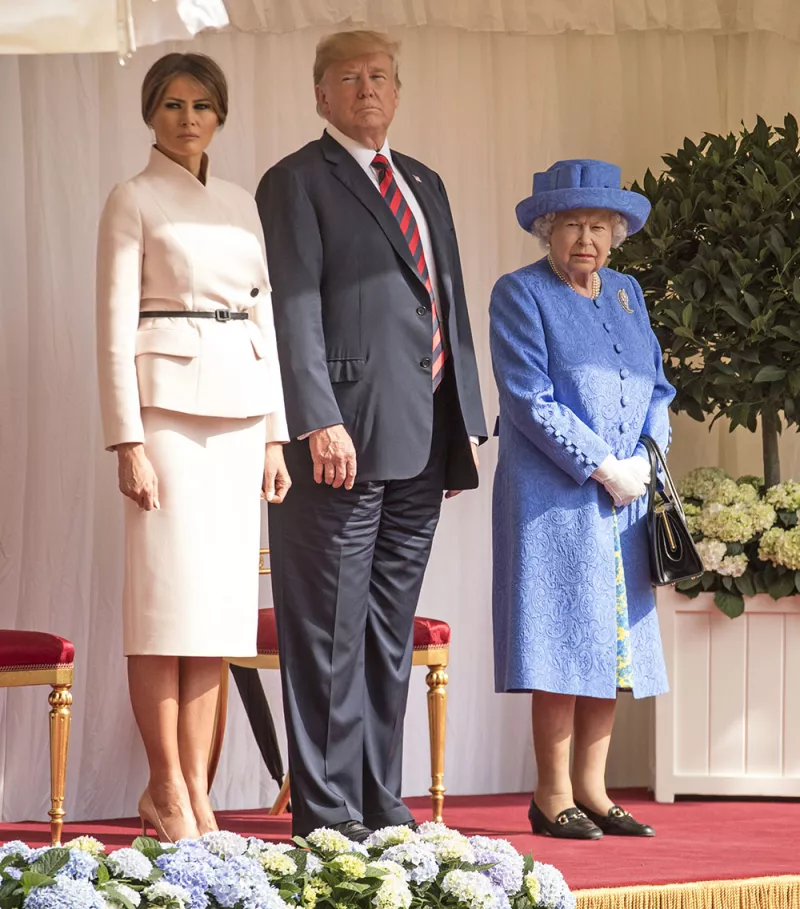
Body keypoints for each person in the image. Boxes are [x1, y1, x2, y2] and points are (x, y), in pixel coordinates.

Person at [257, 30, 487, 840]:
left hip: (421, 435)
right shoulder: (293, 182)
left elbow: (443, 304)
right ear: (320, 94)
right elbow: (292, 307)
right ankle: (327, 815)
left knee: (387, 633)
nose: (366, 89)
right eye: (348, 78)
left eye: (380, 76)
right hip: (338, 440)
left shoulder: (424, 180)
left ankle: (379, 802)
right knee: (327, 632)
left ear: (398, 89)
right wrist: (317, 416)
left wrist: (460, 423)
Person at [96, 52, 290, 843]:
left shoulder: (242, 202)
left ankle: (199, 795)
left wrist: (277, 434)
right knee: (162, 610)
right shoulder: (131, 198)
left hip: (242, 416)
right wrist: (126, 438)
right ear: (151, 114)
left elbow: (263, 318)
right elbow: (110, 328)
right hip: (166, 412)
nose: (187, 117)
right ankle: (167, 788)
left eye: (202, 104)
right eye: (172, 104)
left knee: (216, 616)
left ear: (221, 114)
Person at [490, 159, 675, 840]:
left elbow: (659, 387)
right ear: (547, 229)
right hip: (555, 497)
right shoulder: (520, 293)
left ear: (616, 231)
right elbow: (529, 399)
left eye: (598, 224)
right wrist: (602, 465)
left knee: (613, 644)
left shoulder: (627, 292)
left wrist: (646, 462)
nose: (586, 238)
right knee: (561, 640)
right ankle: (551, 793)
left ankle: (593, 791)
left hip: (627, 493)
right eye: (572, 224)